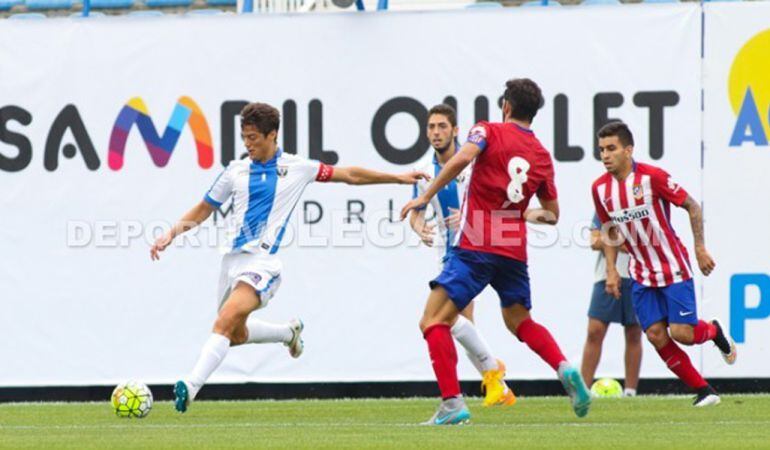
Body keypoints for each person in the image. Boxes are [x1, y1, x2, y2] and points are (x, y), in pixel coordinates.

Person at [151, 102, 428, 413]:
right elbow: (204, 209)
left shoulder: (298, 167)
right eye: (244, 137)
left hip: (263, 264)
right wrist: (172, 233)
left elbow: (349, 175)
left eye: (254, 137)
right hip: (231, 263)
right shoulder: (235, 171)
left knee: (225, 320)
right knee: (234, 333)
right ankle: (288, 332)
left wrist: (398, 177)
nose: (248, 144)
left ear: (273, 135)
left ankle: (190, 387)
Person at [401, 78, 592, 425]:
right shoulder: (541, 156)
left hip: (475, 242)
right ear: (533, 113)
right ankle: (563, 366)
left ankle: (452, 403)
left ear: (506, 106)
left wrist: (425, 195)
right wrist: (519, 213)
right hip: (513, 248)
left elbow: (462, 159)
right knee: (520, 321)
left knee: (432, 321)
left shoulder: (487, 130)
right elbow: (551, 215)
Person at [590, 121, 737, 407]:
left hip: (673, 267)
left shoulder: (652, 178)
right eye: (601, 150)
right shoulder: (600, 189)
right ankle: (704, 390)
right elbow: (608, 229)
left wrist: (699, 248)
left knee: (682, 333)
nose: (605, 155)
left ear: (628, 150)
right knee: (657, 335)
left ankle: (714, 331)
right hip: (641, 274)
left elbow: (691, 205)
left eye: (611, 148)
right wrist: (610, 271)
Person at [409, 104, 515, 408]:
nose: (436, 132)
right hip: (449, 253)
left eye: (442, 126)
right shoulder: (425, 171)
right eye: (431, 127)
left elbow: (499, 201)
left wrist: (472, 219)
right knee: (458, 321)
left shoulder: (472, 163)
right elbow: (417, 211)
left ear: (456, 131)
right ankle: (496, 383)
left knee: (447, 320)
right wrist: (419, 228)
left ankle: (491, 375)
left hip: (477, 249)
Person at [580, 213, 642, 397]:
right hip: (606, 275)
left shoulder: (642, 204)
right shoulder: (605, 200)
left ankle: (630, 392)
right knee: (595, 331)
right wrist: (623, 243)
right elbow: (595, 241)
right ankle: (582, 390)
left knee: (634, 332)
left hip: (638, 276)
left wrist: (614, 240)